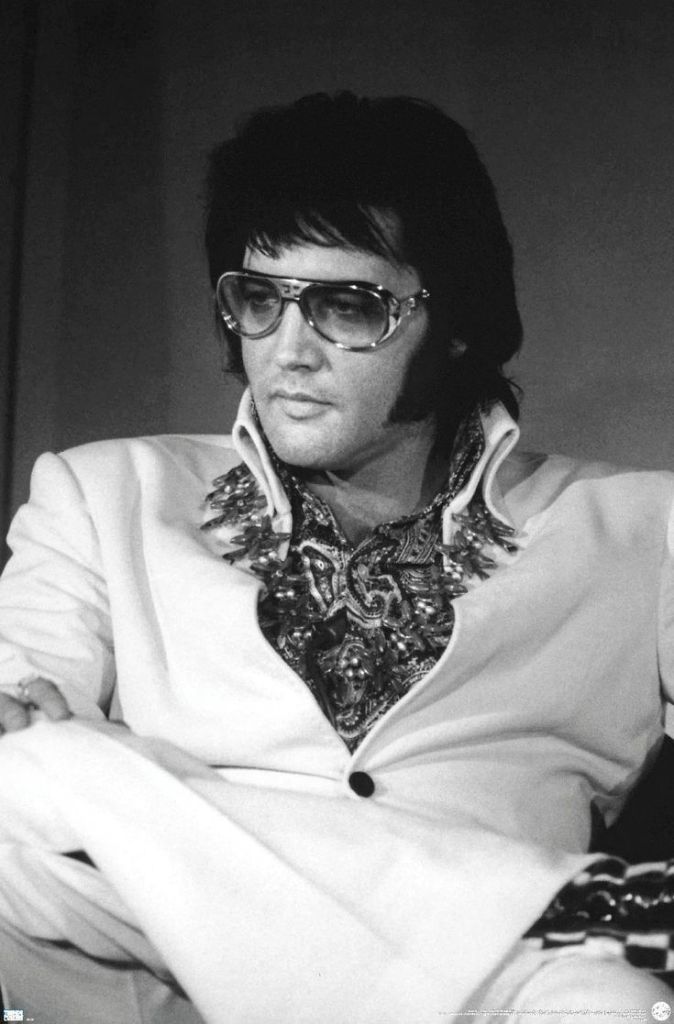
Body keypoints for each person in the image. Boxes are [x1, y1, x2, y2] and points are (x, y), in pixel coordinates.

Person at [0, 91, 672, 1023]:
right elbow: (24, 742)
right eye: (258, 300)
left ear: (460, 319)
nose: (289, 352)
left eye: (348, 308)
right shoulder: (103, 492)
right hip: (176, 968)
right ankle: (536, 926)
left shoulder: (644, 528)